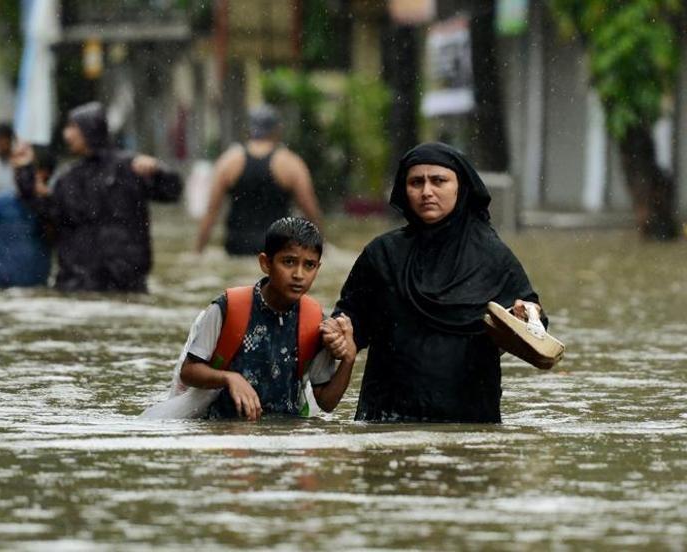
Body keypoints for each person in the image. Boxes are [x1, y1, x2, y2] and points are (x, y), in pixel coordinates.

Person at [324, 142, 546, 423]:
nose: (426, 191)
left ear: (460, 187)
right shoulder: (382, 255)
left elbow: (534, 326)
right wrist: (336, 334)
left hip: (470, 425)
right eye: (416, 182)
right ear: (404, 190)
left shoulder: (492, 257)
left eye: (438, 181)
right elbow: (350, 322)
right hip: (386, 421)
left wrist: (524, 316)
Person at [174, 218, 356, 420]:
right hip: (223, 432)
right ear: (266, 263)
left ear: (318, 269)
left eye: (309, 265)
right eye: (289, 262)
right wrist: (228, 378)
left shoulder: (314, 322)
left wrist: (349, 358)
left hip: (285, 436)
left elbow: (327, 403)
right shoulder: (228, 309)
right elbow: (189, 372)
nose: (298, 274)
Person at [33, 101, 181, 292]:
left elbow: (172, 192)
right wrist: (30, 186)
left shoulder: (132, 167)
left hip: (125, 282)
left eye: (72, 127)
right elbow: (50, 223)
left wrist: (158, 171)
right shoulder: (67, 178)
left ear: (89, 129)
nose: (67, 135)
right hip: (77, 283)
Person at [195, 104, 323, 256]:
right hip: (276, 249)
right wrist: (323, 246)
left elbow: (211, 213)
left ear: (249, 130)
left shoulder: (228, 162)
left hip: (237, 247)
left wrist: (198, 251)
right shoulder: (291, 164)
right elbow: (310, 211)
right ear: (277, 130)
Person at [0, 144, 54, 289]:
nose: (20, 175)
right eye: (17, 170)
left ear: (43, 173)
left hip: (36, 288)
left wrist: (43, 201)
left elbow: (56, 237)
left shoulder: (51, 205)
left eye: (27, 170)